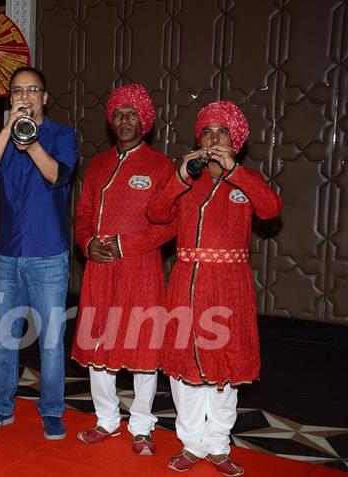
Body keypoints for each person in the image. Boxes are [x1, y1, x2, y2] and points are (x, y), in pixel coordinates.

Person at [147, 101, 282, 476]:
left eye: (223, 132)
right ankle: (191, 443)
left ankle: (219, 445)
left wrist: (237, 172)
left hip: (229, 287)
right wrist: (179, 175)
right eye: (207, 132)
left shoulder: (245, 180)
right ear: (198, 140)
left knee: (226, 368)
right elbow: (157, 213)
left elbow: (271, 209)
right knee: (184, 368)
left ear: (235, 142)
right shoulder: (187, 181)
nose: (214, 138)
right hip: (187, 284)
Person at [0, 66, 78, 440]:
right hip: (7, 254)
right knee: (4, 339)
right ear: (11, 97)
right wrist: (8, 129)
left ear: (45, 98)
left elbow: (57, 175)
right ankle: (0, 408)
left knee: (50, 341)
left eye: (33, 89)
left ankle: (51, 410)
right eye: (18, 90)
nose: (26, 95)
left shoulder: (61, 135)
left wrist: (30, 142)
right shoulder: (4, 138)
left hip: (48, 254)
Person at [71, 84, 175, 454]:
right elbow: (83, 216)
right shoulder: (97, 165)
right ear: (111, 122)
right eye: (119, 114)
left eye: (133, 114)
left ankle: (142, 425)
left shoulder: (162, 168)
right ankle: (106, 419)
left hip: (141, 269)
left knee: (142, 346)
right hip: (99, 270)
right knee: (98, 344)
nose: (125, 120)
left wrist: (121, 245)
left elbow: (169, 225)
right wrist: (87, 244)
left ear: (145, 122)